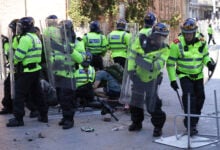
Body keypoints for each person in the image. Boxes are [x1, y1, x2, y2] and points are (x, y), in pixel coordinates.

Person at [167, 18, 216, 136]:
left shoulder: (202, 41)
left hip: (198, 75)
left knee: (201, 98)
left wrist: (209, 63)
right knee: (189, 99)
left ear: (195, 32)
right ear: (183, 32)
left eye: (190, 33)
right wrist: (173, 80)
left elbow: (204, 56)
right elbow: (170, 64)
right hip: (184, 75)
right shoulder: (176, 44)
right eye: (186, 33)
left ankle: (194, 120)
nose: (188, 35)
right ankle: (190, 125)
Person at [127, 23, 170, 137]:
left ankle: (158, 127)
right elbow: (132, 55)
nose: (162, 39)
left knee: (153, 104)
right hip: (138, 76)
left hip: (152, 79)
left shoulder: (165, 49)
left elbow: (159, 64)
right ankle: (136, 123)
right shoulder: (140, 40)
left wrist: (145, 62)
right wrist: (131, 70)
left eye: (163, 37)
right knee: (135, 102)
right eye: (160, 36)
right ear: (154, 35)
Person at [6, 17, 48, 127]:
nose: (18, 28)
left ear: (25, 27)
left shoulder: (25, 39)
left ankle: (18, 119)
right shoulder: (35, 37)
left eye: (20, 26)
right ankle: (44, 115)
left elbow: (18, 56)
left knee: (19, 94)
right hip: (35, 70)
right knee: (37, 94)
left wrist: (13, 61)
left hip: (26, 71)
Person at [44, 19, 85, 129]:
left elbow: (81, 59)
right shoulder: (58, 42)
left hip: (69, 75)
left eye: (65, 30)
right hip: (58, 74)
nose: (63, 32)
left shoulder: (77, 42)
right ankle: (64, 117)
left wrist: (70, 50)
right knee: (60, 98)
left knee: (67, 99)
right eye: (61, 29)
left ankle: (69, 119)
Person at [0, 19, 19, 114]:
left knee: (9, 86)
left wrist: (6, 43)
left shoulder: (17, 38)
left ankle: (10, 107)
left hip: (19, 69)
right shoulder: (18, 37)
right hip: (17, 68)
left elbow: (11, 52)